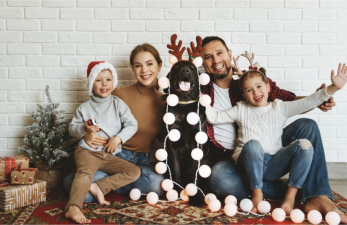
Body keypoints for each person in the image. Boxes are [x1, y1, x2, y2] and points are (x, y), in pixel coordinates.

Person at [201, 36, 347, 223]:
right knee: (219, 178)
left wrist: (324, 96)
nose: (215, 60)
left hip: (273, 151)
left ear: (229, 54)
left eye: (219, 53)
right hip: (237, 161)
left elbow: (296, 102)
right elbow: (212, 116)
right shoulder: (202, 90)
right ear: (202, 63)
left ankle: (317, 195)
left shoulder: (250, 80)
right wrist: (193, 95)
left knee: (308, 126)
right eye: (208, 57)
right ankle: (294, 189)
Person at [63, 43, 166, 203]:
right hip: (113, 154)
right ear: (133, 69)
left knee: (156, 184)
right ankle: (97, 184)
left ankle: (103, 185)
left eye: (149, 64)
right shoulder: (118, 93)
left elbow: (162, 138)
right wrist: (87, 135)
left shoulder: (165, 101)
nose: (144, 70)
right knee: (80, 190)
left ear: (159, 65)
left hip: (141, 161)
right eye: (138, 65)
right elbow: (91, 117)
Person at [65, 61, 141, 224]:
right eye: (98, 80)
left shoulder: (118, 104)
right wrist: (84, 129)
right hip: (87, 152)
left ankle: (99, 187)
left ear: (113, 82)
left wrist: (118, 138)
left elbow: (132, 124)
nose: (104, 84)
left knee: (134, 172)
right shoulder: (84, 108)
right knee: (85, 173)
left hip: (108, 154)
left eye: (108, 79)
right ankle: (73, 207)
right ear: (91, 84)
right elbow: (71, 129)